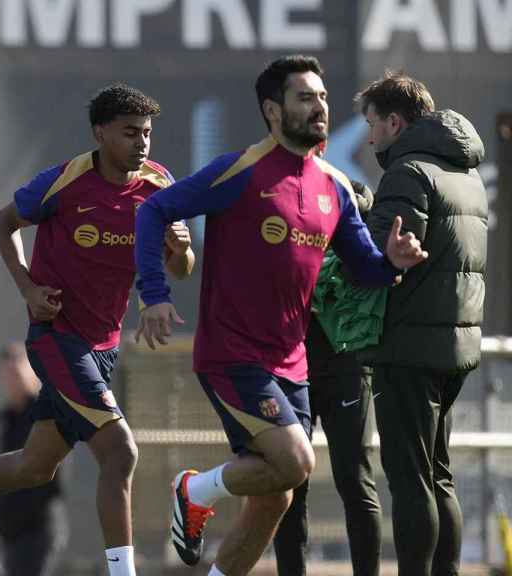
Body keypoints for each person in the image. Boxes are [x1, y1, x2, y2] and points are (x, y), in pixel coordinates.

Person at [133, 55, 428, 576]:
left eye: (322, 97)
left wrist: (393, 265)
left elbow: (364, 268)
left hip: (294, 364)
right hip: (233, 356)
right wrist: (154, 294)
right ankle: (195, 488)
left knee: (277, 496)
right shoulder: (239, 170)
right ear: (272, 110)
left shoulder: (334, 186)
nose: (319, 107)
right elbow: (154, 210)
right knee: (296, 463)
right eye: (304, 97)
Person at [0, 83, 195, 576]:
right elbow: (4, 223)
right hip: (57, 339)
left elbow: (183, 269)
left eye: (147, 133)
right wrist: (26, 288)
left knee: (36, 465)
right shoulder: (65, 182)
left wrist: (180, 247)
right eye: (130, 133)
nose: (142, 144)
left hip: (103, 347)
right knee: (121, 452)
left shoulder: (159, 186)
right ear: (100, 133)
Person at [356, 71, 487, 576]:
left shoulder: (409, 171)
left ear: (395, 121)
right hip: (454, 345)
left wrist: (356, 225)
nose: (369, 138)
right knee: (439, 475)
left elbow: (382, 253)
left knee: (411, 480)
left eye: (372, 124)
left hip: (406, 346)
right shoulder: (466, 173)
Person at [273, 141, 384, 576]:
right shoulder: (292, 236)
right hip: (293, 370)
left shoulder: (362, 243)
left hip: (345, 369)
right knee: (290, 484)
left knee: (354, 482)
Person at [0, 342, 66, 576]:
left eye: (17, 370)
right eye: (8, 372)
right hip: (11, 534)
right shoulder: (7, 418)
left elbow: (51, 473)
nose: (13, 378)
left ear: (33, 373)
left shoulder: (45, 412)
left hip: (38, 530)